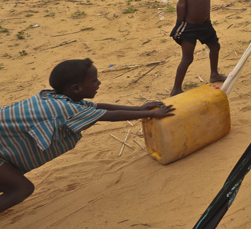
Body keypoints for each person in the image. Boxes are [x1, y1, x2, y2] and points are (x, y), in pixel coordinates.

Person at [0, 59, 174, 213]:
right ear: (76, 88)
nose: (99, 83)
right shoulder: (64, 108)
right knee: (22, 189)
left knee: (11, 183)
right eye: (94, 80)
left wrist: (139, 108)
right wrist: (151, 114)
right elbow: (111, 116)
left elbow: (98, 107)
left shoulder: (57, 98)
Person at [170, 0, 226, 96]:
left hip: (205, 25)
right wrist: (179, 23)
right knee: (187, 58)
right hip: (189, 27)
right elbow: (181, 2)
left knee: (215, 46)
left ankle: (214, 74)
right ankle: (176, 88)